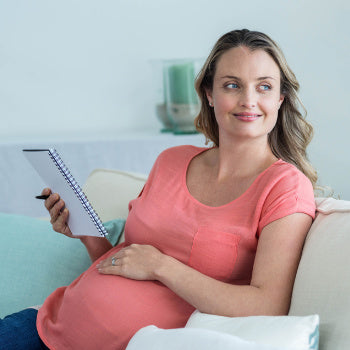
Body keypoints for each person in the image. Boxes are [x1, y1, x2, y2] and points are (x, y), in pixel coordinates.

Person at [0, 29, 317, 350]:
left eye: (264, 87)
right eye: (232, 85)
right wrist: (84, 232)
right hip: (47, 325)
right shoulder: (171, 161)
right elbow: (127, 260)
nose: (249, 100)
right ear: (209, 93)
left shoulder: (285, 187)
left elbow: (268, 306)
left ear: (280, 98)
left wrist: (161, 266)